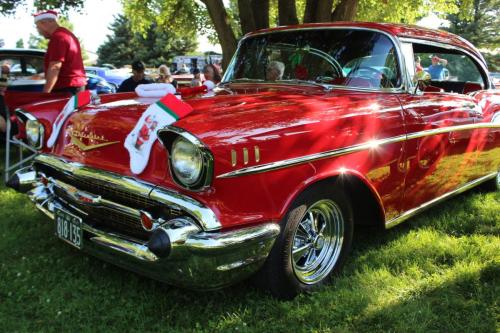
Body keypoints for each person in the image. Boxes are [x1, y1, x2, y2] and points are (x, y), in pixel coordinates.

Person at [33, 10, 87, 94]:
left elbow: (55, 67)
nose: (38, 31)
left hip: (67, 87)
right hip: (75, 85)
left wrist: (45, 93)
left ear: (44, 23)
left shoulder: (58, 37)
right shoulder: (66, 34)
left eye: (37, 27)